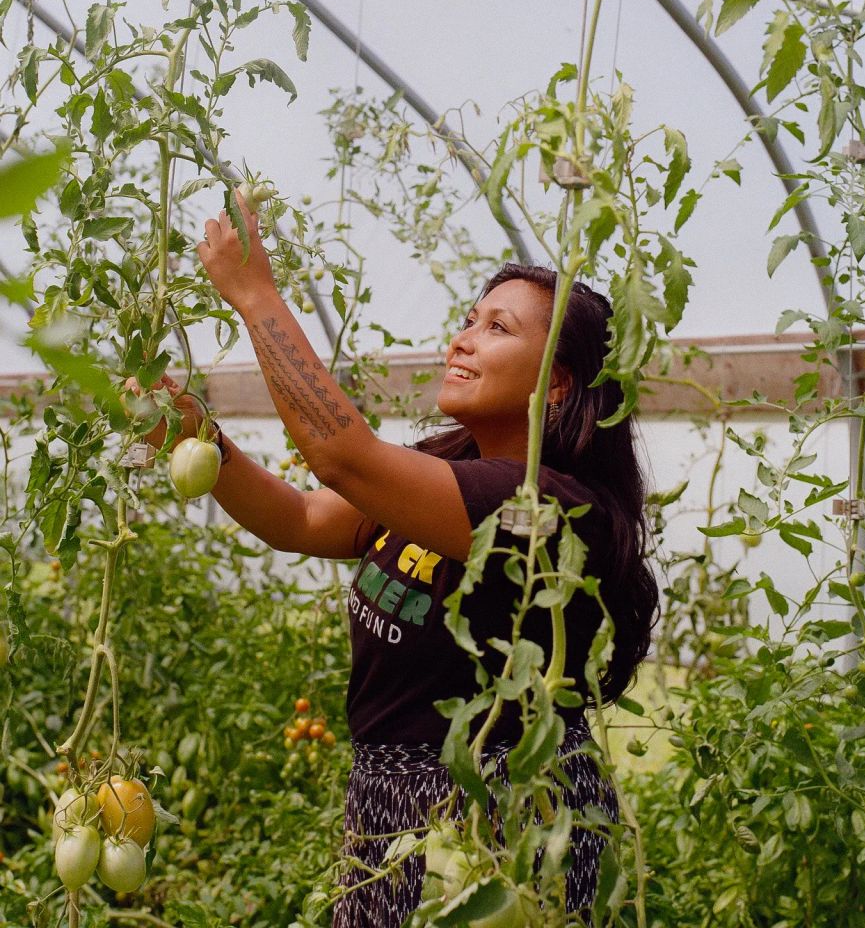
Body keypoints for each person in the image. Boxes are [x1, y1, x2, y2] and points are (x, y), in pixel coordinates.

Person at [136, 196, 660, 926]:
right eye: (470, 319)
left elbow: (341, 458)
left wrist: (255, 293)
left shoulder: (549, 511)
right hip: (394, 802)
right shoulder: (451, 465)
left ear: (561, 384)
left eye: (497, 328)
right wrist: (205, 440)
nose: (464, 339)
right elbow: (303, 517)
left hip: (491, 817)